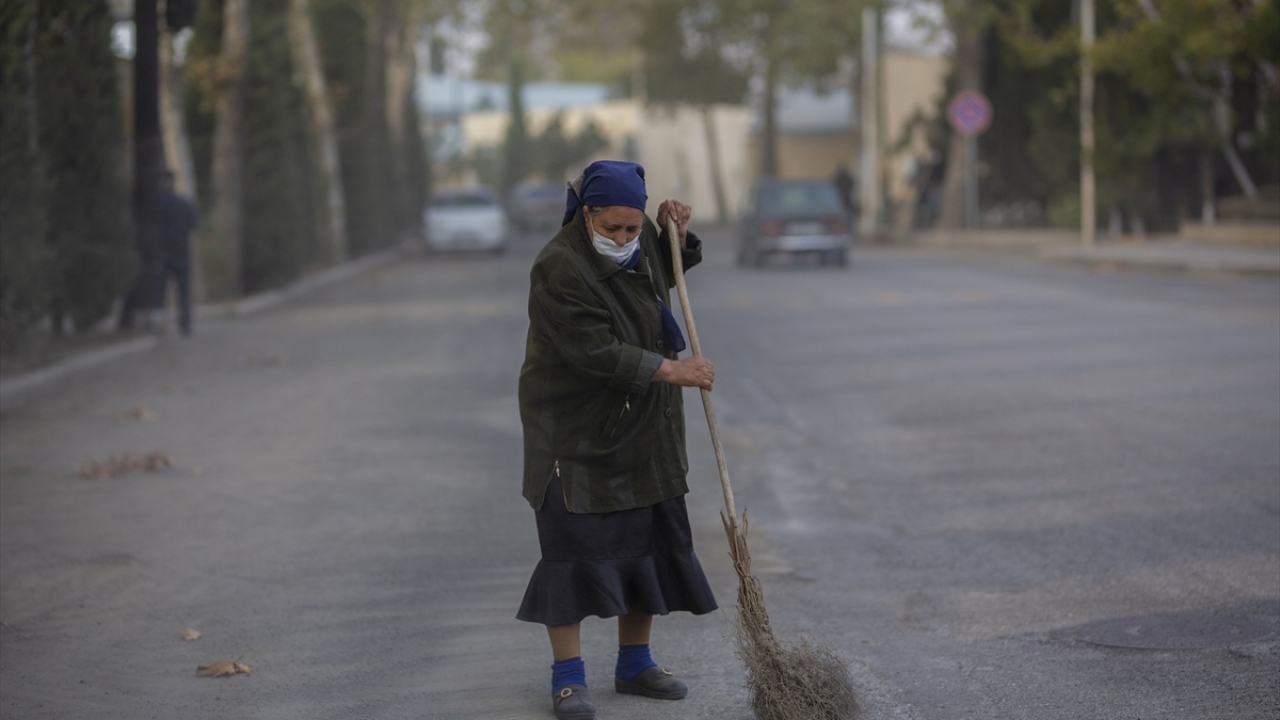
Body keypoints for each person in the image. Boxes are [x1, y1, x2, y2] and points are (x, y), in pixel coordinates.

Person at [516, 160, 718, 720]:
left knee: (648, 543)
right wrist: (674, 371)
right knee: (572, 554)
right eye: (613, 229)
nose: (625, 240)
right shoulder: (558, 267)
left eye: (633, 229)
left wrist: (673, 233)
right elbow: (592, 350)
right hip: (575, 431)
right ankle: (568, 679)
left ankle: (635, 663)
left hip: (646, 427)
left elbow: (669, 267)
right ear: (587, 216)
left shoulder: (641, 244)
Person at [119, 170, 197, 335]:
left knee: (160, 292)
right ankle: (185, 324)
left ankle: (160, 323)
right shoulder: (183, 203)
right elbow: (193, 226)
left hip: (162, 253)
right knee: (183, 292)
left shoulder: (155, 205)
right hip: (181, 253)